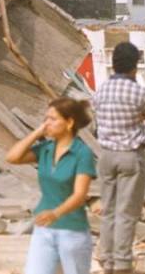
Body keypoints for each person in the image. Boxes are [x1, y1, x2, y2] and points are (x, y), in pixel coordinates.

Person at [6, 98, 97, 274]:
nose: (47, 123)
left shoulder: (82, 153)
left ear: (69, 122)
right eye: (45, 118)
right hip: (44, 229)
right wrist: (36, 133)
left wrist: (56, 213)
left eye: (53, 119)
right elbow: (12, 157)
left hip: (72, 232)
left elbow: (80, 194)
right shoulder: (45, 149)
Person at [93, 42, 145, 274]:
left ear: (113, 64)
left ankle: (106, 259)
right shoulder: (139, 92)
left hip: (106, 155)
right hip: (130, 155)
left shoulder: (101, 90)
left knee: (108, 209)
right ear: (134, 66)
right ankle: (121, 263)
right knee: (127, 212)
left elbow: (97, 117)